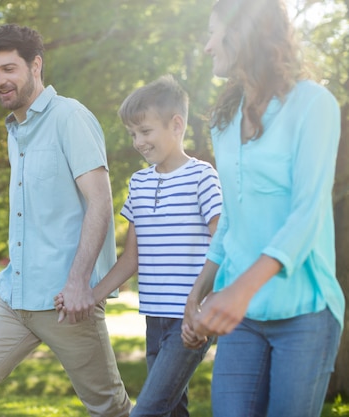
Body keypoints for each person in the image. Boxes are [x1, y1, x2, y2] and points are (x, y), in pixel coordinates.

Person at [0, 24, 132, 417]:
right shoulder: (15, 130)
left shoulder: (70, 117)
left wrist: (78, 283)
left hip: (66, 302)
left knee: (109, 409)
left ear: (35, 65)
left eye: (9, 69)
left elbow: (99, 202)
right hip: (14, 298)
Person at [181, 1, 345, 416]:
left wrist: (239, 290)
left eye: (214, 33)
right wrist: (200, 290)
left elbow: (307, 214)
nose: (206, 47)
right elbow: (232, 220)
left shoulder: (314, 104)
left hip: (305, 311)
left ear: (244, 34)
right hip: (243, 317)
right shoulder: (224, 120)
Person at [56, 75, 222, 416]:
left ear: (176, 125)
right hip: (155, 318)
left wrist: (207, 302)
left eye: (145, 131)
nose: (138, 142)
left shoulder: (202, 177)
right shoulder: (140, 182)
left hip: (189, 317)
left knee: (148, 408)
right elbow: (132, 257)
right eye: (133, 134)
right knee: (173, 408)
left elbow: (225, 241)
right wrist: (91, 293)